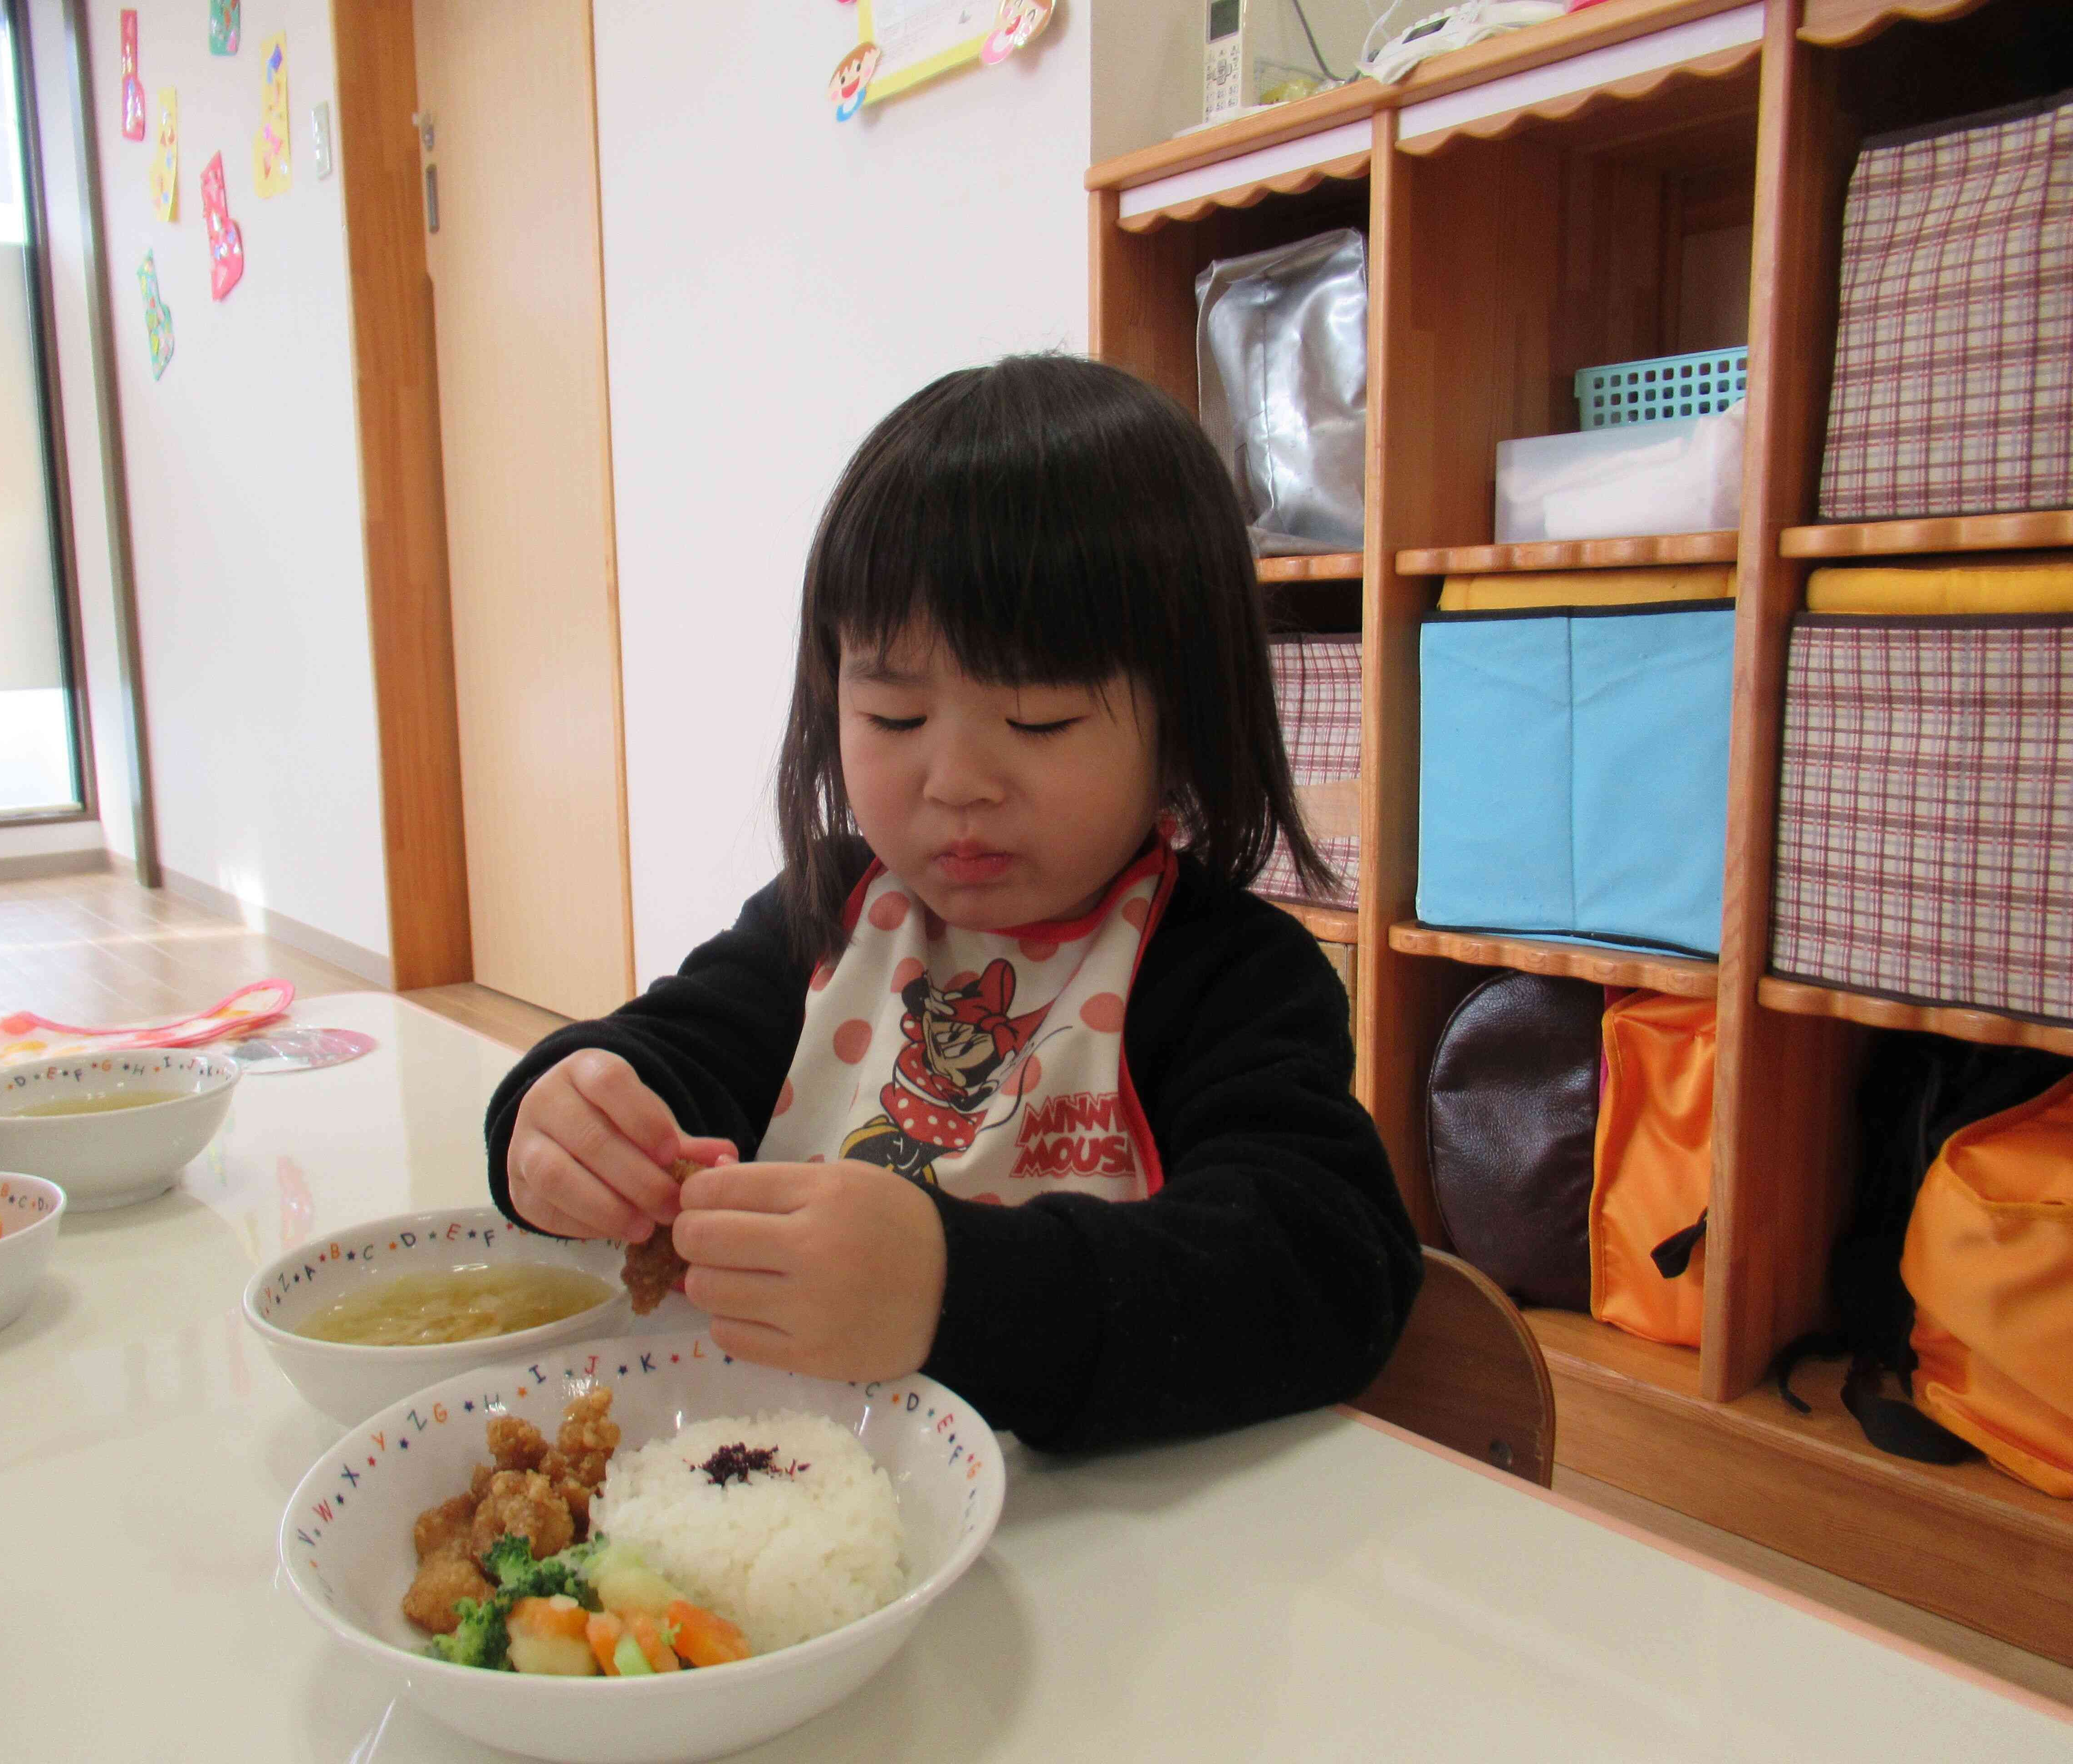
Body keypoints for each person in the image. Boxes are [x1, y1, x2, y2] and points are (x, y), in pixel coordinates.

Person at [486, 354, 1419, 1453]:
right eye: (891, 717)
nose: (956, 782)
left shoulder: (1225, 973)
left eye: (1039, 722)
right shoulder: (828, 917)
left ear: (1186, 721)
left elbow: (1326, 1268)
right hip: (803, 1509)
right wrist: (563, 1116)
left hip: (1115, 1554)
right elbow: (671, 1055)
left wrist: (951, 1288)